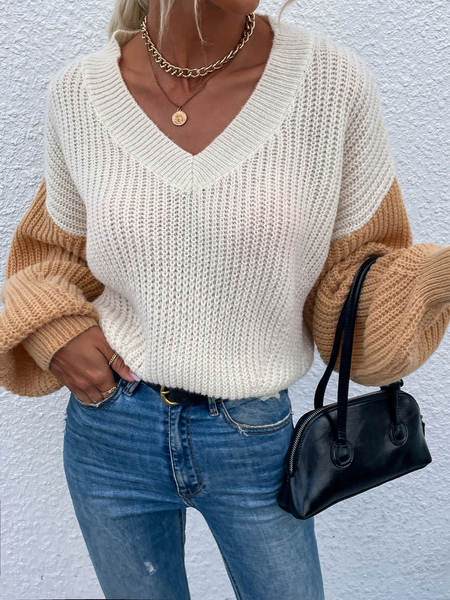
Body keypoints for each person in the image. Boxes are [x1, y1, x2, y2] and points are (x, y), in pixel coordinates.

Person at [1, 0, 449, 598]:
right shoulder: (80, 93)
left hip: (254, 438)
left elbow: (357, 283)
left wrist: (438, 277)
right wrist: (55, 331)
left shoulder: (332, 85)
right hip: (111, 428)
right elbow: (48, 256)